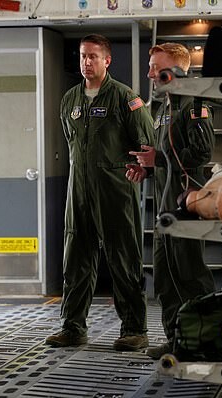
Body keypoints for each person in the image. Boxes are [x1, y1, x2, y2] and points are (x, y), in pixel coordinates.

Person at [45, 34, 155, 352]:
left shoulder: (125, 98)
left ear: (107, 60)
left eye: (93, 56)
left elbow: (146, 143)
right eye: (83, 56)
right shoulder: (70, 100)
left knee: (124, 259)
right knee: (76, 260)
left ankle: (134, 329)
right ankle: (73, 327)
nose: (86, 62)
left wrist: (142, 170)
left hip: (115, 191)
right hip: (78, 190)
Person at [126, 43, 215, 359]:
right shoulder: (164, 107)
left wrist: (159, 160)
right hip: (165, 208)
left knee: (190, 277)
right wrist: (147, 168)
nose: (150, 73)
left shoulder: (194, 104)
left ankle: (205, 342)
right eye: (150, 66)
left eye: (155, 67)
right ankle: (178, 341)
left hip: (186, 206)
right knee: (165, 279)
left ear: (176, 69)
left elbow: (201, 154)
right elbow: (166, 156)